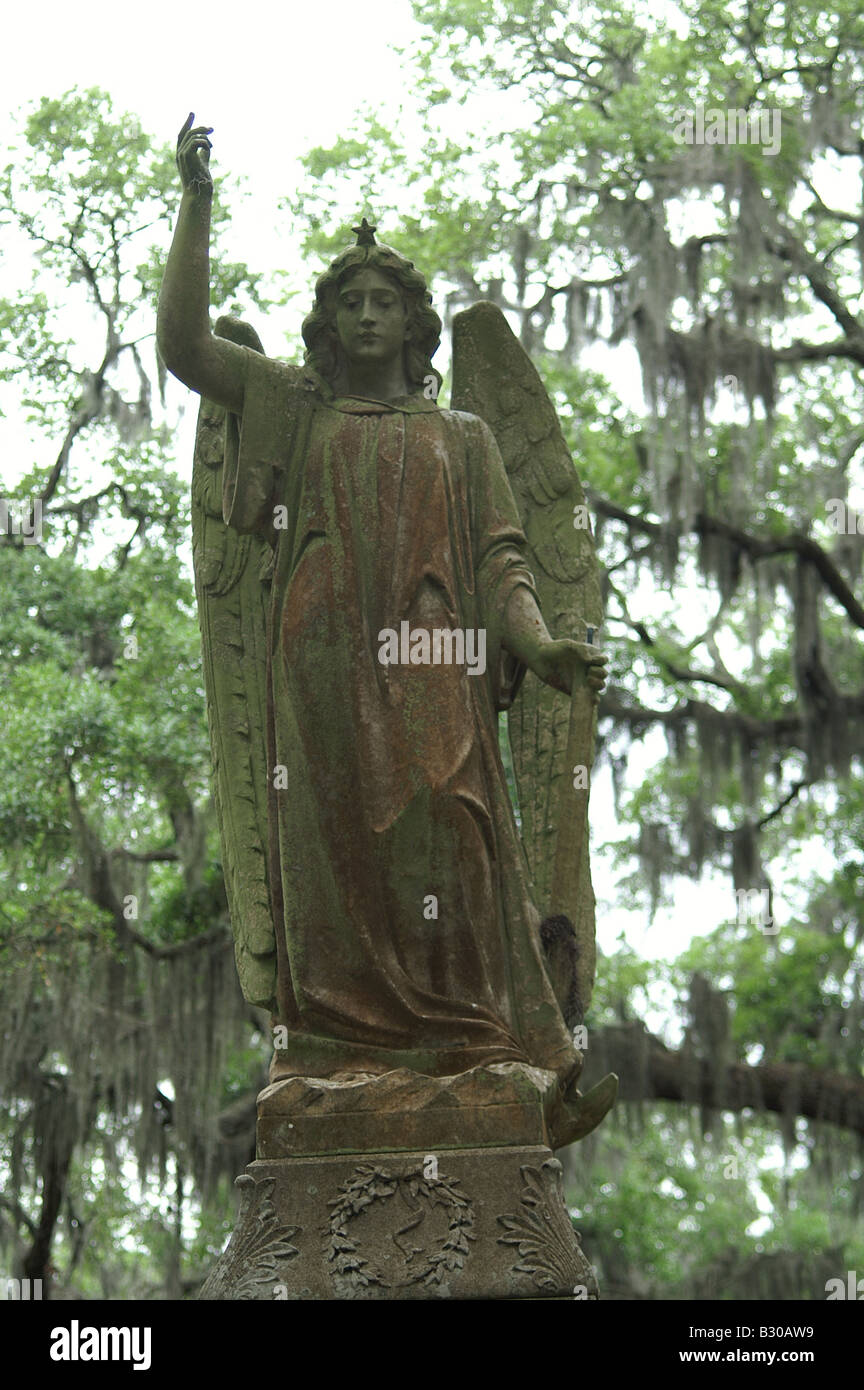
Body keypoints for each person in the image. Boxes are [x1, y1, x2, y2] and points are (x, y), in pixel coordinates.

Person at [157, 116, 607, 1087]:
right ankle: (338, 1048)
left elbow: (503, 564)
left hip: (436, 659)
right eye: (352, 301)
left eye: (386, 303)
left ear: (414, 325)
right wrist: (196, 208)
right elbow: (187, 347)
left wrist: (540, 650)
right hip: (319, 657)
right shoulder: (290, 403)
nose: (367, 315)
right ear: (331, 323)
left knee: (448, 810)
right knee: (329, 837)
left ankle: (473, 1040)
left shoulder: (465, 436)